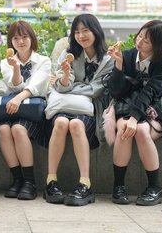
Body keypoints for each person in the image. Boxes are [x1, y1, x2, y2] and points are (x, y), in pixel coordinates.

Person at [44, 13, 113, 206]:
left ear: (96, 32)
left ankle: (85, 183)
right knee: (60, 122)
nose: (81, 36)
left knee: (75, 124)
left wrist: (70, 85)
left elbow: (97, 89)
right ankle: (51, 181)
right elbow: (62, 87)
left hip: (90, 111)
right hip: (64, 105)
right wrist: (66, 75)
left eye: (85, 31)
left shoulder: (108, 60)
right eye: (77, 32)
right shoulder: (68, 55)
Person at [107, 20, 162, 206]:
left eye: (147, 40)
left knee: (142, 131)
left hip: (153, 110)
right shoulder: (127, 55)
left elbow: (150, 92)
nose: (140, 41)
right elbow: (116, 92)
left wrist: (135, 119)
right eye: (141, 35)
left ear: (158, 46)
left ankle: (155, 187)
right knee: (124, 131)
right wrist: (119, 65)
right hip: (126, 108)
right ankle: (118, 186)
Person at [0, 21, 51, 200]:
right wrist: (16, 68)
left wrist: (18, 98)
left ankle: (29, 182)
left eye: (24, 36)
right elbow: (13, 85)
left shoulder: (43, 61)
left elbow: (35, 87)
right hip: (12, 108)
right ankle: (17, 179)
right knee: (3, 129)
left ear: (31, 38)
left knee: (18, 129)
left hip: (33, 110)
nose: (20, 41)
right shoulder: (6, 62)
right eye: (15, 38)